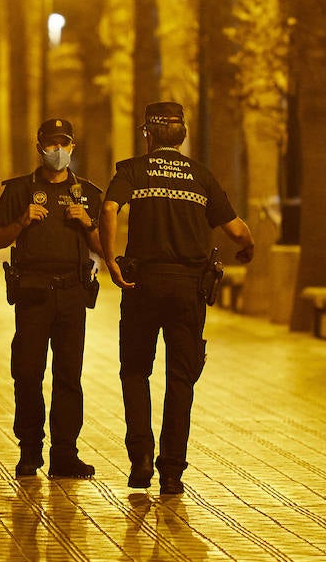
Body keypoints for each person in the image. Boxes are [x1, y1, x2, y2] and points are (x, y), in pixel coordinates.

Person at [100, 101, 255, 496]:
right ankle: (171, 472)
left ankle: (140, 463)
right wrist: (248, 246)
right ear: (182, 136)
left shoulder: (132, 170)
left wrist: (110, 260)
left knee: (135, 371)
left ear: (148, 135)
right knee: (181, 378)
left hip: (143, 284)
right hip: (189, 289)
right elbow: (236, 231)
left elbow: (109, 208)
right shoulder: (202, 177)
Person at [0, 117, 103, 479]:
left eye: (63, 144)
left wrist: (88, 222)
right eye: (51, 145)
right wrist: (22, 222)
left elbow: (106, 248)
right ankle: (30, 452)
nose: (57, 151)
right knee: (28, 373)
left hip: (72, 292)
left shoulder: (88, 194)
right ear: (40, 149)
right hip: (33, 294)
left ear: (73, 148)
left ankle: (65, 454)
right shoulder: (19, 190)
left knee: (69, 376)